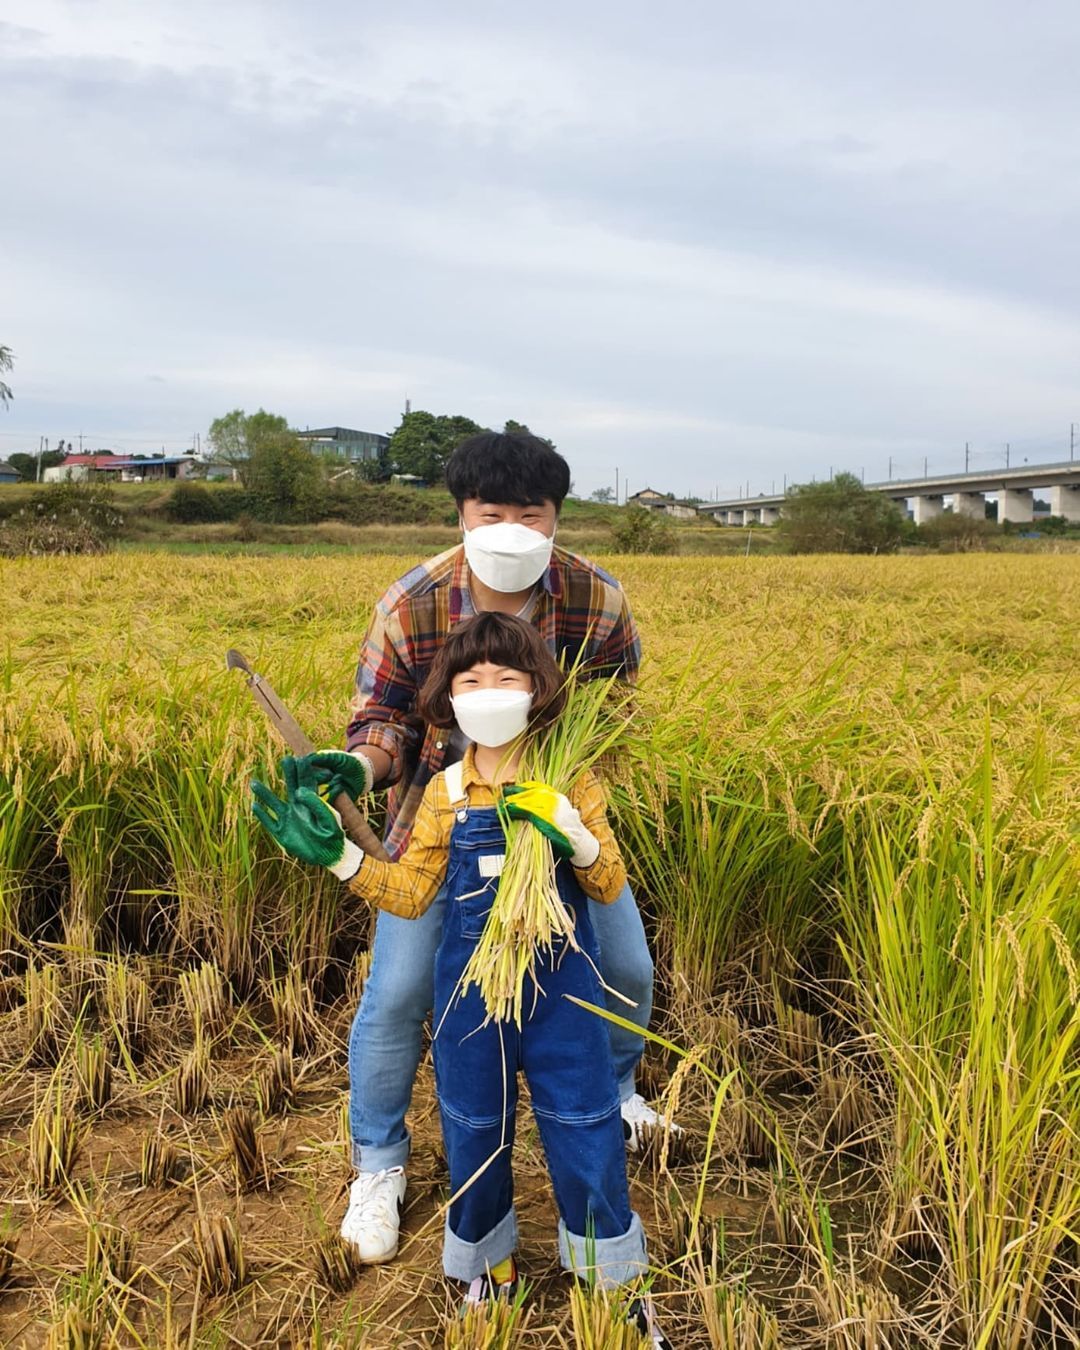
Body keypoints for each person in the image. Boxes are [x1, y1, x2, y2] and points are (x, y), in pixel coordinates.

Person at [286, 429, 676, 1263]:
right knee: (396, 994)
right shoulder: (414, 602)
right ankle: (380, 1166)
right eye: (489, 513)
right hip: (441, 825)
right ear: (462, 515)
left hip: (556, 826)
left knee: (630, 970)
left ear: (556, 517)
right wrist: (353, 770)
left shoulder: (595, 600)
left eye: (528, 514)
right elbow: (383, 720)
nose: (509, 529)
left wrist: (563, 794)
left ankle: (615, 1094)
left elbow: (619, 715)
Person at [252, 614, 671, 1348]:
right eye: (470, 680)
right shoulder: (445, 791)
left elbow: (608, 884)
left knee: (586, 1126)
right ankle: (488, 1270)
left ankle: (613, 1286)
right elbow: (411, 896)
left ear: (539, 690)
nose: (488, 690)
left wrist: (574, 835)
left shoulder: (570, 777)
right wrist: (341, 861)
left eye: (506, 678)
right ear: (446, 697)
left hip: (562, 994)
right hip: (472, 997)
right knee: (475, 1127)